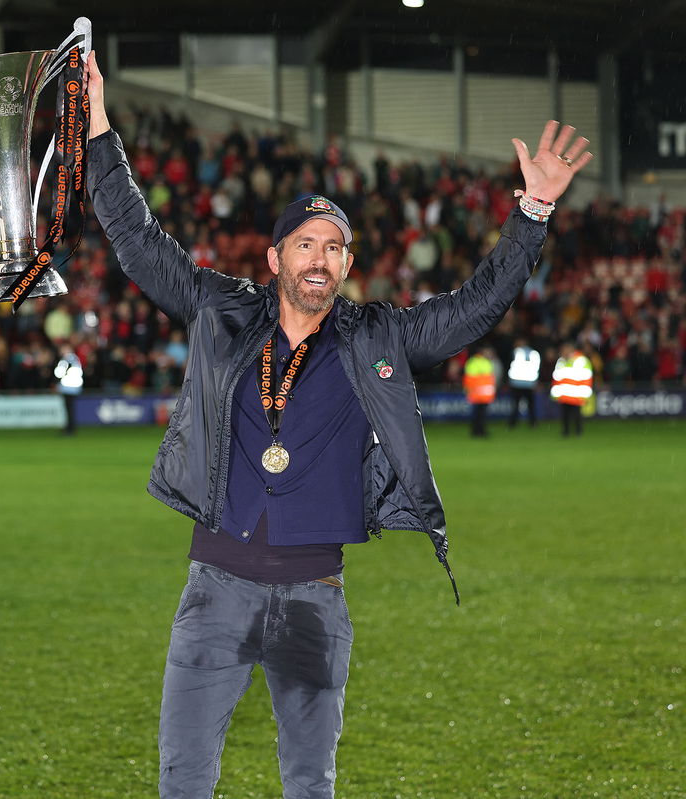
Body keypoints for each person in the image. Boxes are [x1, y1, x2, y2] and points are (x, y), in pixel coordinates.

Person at [84, 52, 591, 799]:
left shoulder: (375, 337)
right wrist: (96, 123)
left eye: (333, 247)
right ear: (275, 256)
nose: (319, 259)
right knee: (182, 781)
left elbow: (476, 306)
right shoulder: (222, 312)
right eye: (305, 244)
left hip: (315, 599)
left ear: (346, 262)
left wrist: (534, 211)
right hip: (213, 589)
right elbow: (137, 239)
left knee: (311, 783)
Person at [551, 342, 594, 436]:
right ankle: (566, 431)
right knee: (564, 415)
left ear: (571, 349)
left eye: (564, 349)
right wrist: (555, 393)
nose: (563, 352)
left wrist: (584, 394)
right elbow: (557, 378)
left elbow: (587, 377)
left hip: (576, 394)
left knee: (577, 415)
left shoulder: (581, 360)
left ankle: (578, 431)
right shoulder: (561, 361)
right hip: (564, 394)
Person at [463, 346, 497, 438]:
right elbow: (470, 378)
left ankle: (479, 431)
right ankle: (477, 431)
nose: (489, 354)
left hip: (482, 393)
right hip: (477, 393)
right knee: (479, 414)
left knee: (480, 414)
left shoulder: (475, 362)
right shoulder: (478, 362)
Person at [507, 337, 540, 427]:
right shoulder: (534, 353)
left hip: (517, 383)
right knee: (531, 405)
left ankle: (513, 423)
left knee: (515, 405)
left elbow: (510, 365)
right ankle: (533, 422)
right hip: (529, 383)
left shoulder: (516, 352)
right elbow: (537, 368)